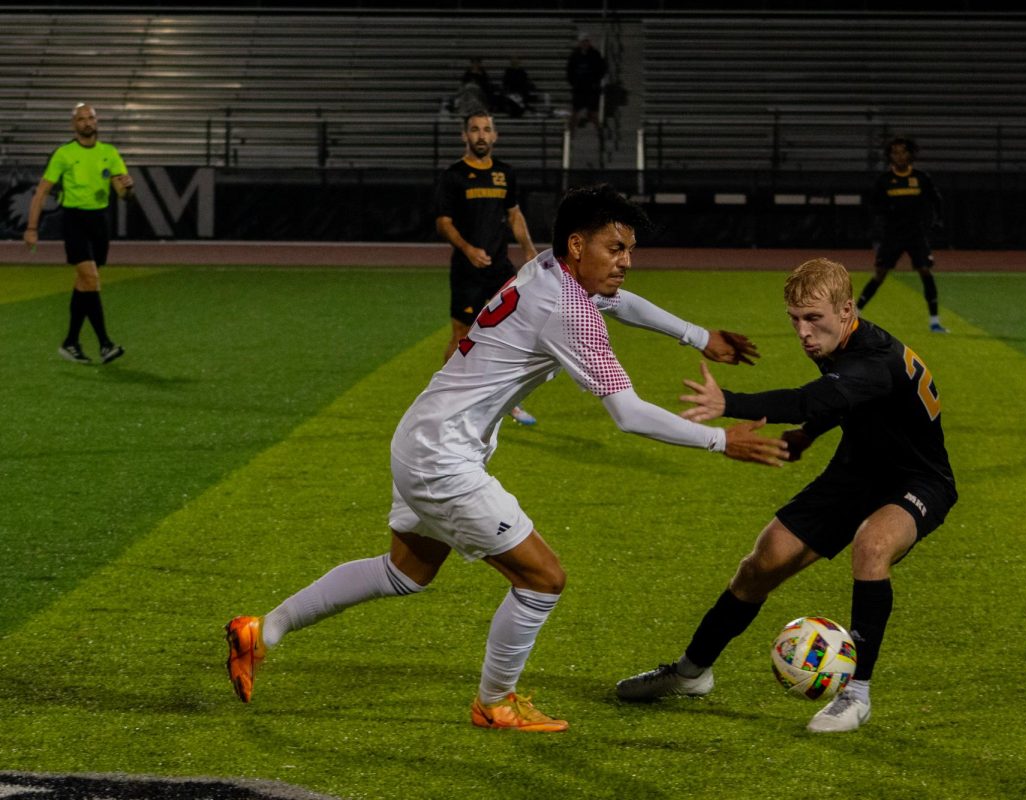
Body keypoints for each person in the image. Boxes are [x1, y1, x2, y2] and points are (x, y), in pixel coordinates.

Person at [225, 184, 789, 732]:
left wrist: (695, 334)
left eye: (630, 251)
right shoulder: (568, 310)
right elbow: (629, 413)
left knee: (405, 572)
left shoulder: (547, 267)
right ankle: (495, 703)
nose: (627, 262)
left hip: (422, 436)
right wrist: (721, 440)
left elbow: (617, 300)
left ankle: (263, 631)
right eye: (616, 249)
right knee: (542, 579)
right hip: (443, 458)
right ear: (576, 245)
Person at [616, 257, 957, 734]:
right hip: (855, 472)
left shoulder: (875, 358)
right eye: (794, 319)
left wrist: (728, 403)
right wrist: (807, 436)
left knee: (872, 545)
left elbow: (811, 397)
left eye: (813, 318)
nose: (802, 331)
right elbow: (837, 401)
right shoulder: (834, 340)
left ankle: (856, 695)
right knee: (760, 564)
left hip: (917, 480)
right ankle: (690, 673)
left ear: (846, 309)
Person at [434, 111, 540, 424]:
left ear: (495, 136)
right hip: (467, 269)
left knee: (514, 334)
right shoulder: (452, 176)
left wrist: (529, 251)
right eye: (474, 130)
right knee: (461, 336)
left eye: (486, 130)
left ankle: (506, 399)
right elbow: (443, 222)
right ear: (464, 136)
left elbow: (514, 214)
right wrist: (467, 249)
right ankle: (444, 401)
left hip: (500, 269)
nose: (481, 135)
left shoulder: (505, 173)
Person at [24, 103, 134, 365]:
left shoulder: (109, 153)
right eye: (82, 119)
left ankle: (70, 342)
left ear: (97, 122)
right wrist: (31, 228)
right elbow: (41, 192)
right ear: (74, 124)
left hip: (99, 221)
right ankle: (105, 344)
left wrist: (128, 189)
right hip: (74, 220)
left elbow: (123, 193)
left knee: (84, 284)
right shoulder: (64, 153)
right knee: (91, 279)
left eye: (91, 118)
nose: (87, 122)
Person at [856, 136, 948, 333]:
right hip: (893, 235)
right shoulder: (884, 181)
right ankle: (855, 313)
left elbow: (936, 199)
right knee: (880, 275)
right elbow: (874, 206)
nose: (899, 156)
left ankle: (934, 321)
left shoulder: (921, 178)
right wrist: (877, 225)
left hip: (916, 234)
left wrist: (937, 220)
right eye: (895, 152)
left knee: (925, 271)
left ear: (911, 154)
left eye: (903, 151)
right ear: (890, 156)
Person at [566, 33, 606, 133]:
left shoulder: (595, 54)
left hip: (591, 88)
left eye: (586, 41)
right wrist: (573, 82)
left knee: (592, 111)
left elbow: (602, 69)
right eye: (582, 42)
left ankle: (599, 131)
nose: (584, 44)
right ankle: (570, 132)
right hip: (578, 87)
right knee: (575, 111)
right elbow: (569, 70)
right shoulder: (575, 55)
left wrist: (595, 81)